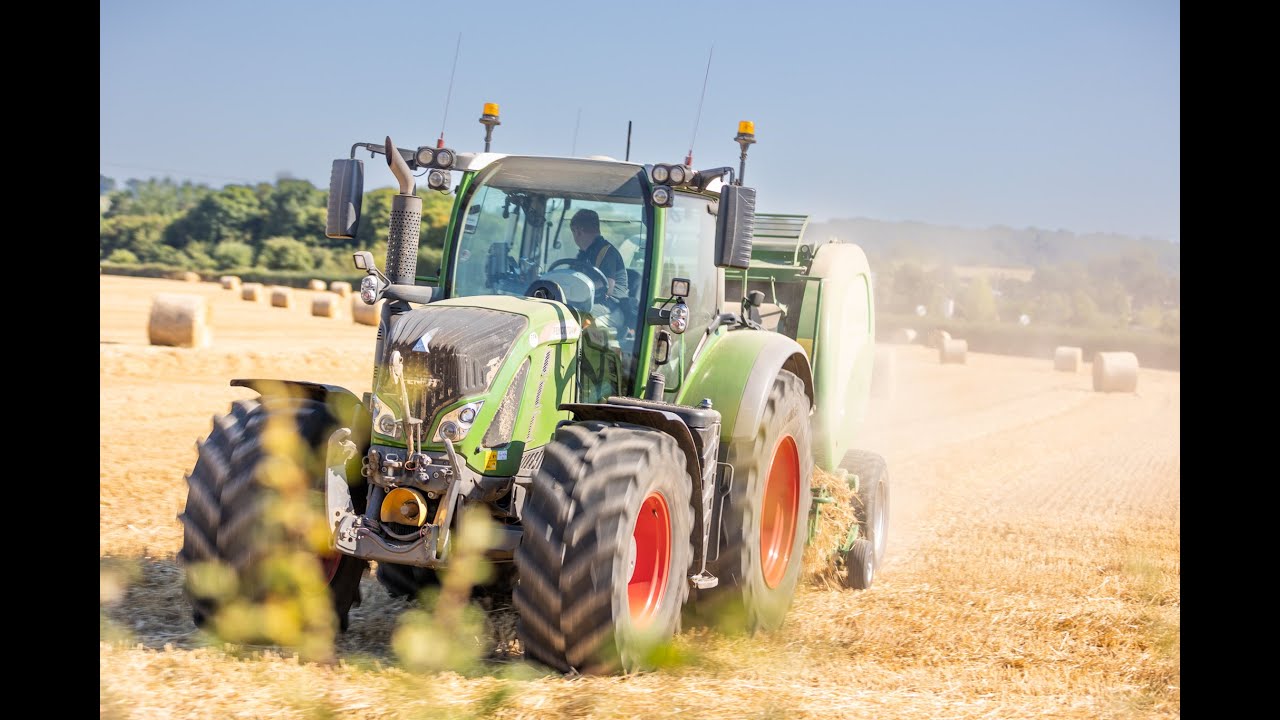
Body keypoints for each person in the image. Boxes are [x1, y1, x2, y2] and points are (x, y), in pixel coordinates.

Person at [569, 209, 629, 301]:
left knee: (580, 315)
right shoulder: (584, 255)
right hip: (591, 300)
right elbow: (570, 277)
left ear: (578, 231)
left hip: (613, 304)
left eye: (573, 232)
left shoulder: (606, 252)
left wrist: (578, 289)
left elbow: (608, 285)